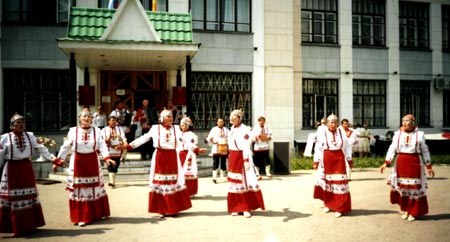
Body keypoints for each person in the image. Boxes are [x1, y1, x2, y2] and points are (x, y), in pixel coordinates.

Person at [0, 114, 59, 236]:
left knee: (28, 196)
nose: (21, 124)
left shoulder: (30, 136)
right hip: (12, 169)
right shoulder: (5, 138)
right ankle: (14, 227)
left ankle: (30, 225)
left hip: (26, 168)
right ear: (12, 126)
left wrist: (54, 159)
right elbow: (0, 155)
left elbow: (42, 149)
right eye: (18, 123)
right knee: (13, 197)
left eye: (23, 122)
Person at [124, 109, 192, 217]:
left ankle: (172, 208)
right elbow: (144, 138)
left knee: (173, 181)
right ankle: (163, 208)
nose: (170, 119)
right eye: (167, 117)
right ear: (161, 119)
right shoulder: (155, 129)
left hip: (172, 157)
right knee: (160, 181)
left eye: (171, 117)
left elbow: (185, 141)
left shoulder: (176, 129)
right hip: (159, 156)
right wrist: (129, 146)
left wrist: (196, 149)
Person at [54, 110, 116, 226]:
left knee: (94, 188)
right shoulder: (73, 131)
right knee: (80, 188)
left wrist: (107, 157)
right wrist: (58, 160)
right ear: (79, 118)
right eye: (84, 116)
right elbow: (65, 147)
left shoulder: (96, 131)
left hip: (92, 160)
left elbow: (102, 145)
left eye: (89, 116)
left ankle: (95, 214)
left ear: (92, 118)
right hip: (78, 161)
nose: (86, 118)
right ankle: (81, 216)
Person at [380, 114, 435, 222]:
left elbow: (425, 150)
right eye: (404, 121)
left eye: (408, 121)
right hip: (401, 162)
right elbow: (392, 148)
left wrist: (428, 165)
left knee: (414, 187)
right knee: (403, 187)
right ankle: (405, 209)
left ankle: (413, 211)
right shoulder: (397, 134)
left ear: (413, 122)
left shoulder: (420, 135)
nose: (405, 123)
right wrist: (386, 162)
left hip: (414, 162)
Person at [227, 109, 265, 218]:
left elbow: (245, 146)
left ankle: (245, 208)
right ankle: (236, 207)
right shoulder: (231, 130)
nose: (231, 118)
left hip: (242, 157)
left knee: (244, 182)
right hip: (233, 157)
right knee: (234, 183)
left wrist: (246, 160)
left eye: (233, 116)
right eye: (230, 116)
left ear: (239, 118)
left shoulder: (245, 129)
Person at [313, 114, 352, 218]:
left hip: (338, 158)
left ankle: (340, 207)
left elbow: (347, 146)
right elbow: (318, 147)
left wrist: (349, 158)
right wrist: (316, 160)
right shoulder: (322, 131)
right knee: (327, 182)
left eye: (335, 122)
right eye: (331, 122)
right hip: (327, 158)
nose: (334, 124)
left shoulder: (341, 131)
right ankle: (328, 204)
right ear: (327, 123)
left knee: (339, 182)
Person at [178, 117, 206, 197]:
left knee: (189, 173)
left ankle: (190, 192)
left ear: (187, 125)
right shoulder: (180, 134)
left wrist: (197, 150)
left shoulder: (192, 135)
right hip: (180, 154)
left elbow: (192, 146)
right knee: (180, 173)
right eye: (181, 125)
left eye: (183, 125)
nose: (181, 126)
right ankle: (181, 190)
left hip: (188, 154)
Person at [101, 116, 127, 188]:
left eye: (115, 121)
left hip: (118, 149)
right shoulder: (104, 130)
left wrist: (124, 143)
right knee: (110, 165)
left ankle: (113, 181)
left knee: (116, 165)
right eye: (112, 120)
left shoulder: (119, 129)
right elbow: (101, 140)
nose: (114, 122)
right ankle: (111, 182)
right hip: (109, 150)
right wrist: (108, 138)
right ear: (108, 121)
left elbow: (123, 137)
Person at [206, 118, 229, 183]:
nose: (220, 123)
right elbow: (209, 138)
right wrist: (212, 140)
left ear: (223, 123)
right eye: (219, 122)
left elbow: (229, 137)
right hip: (216, 147)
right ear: (217, 122)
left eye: (222, 122)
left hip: (224, 147)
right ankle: (214, 177)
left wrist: (227, 141)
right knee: (215, 162)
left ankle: (222, 177)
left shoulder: (226, 130)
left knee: (223, 162)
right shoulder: (214, 129)